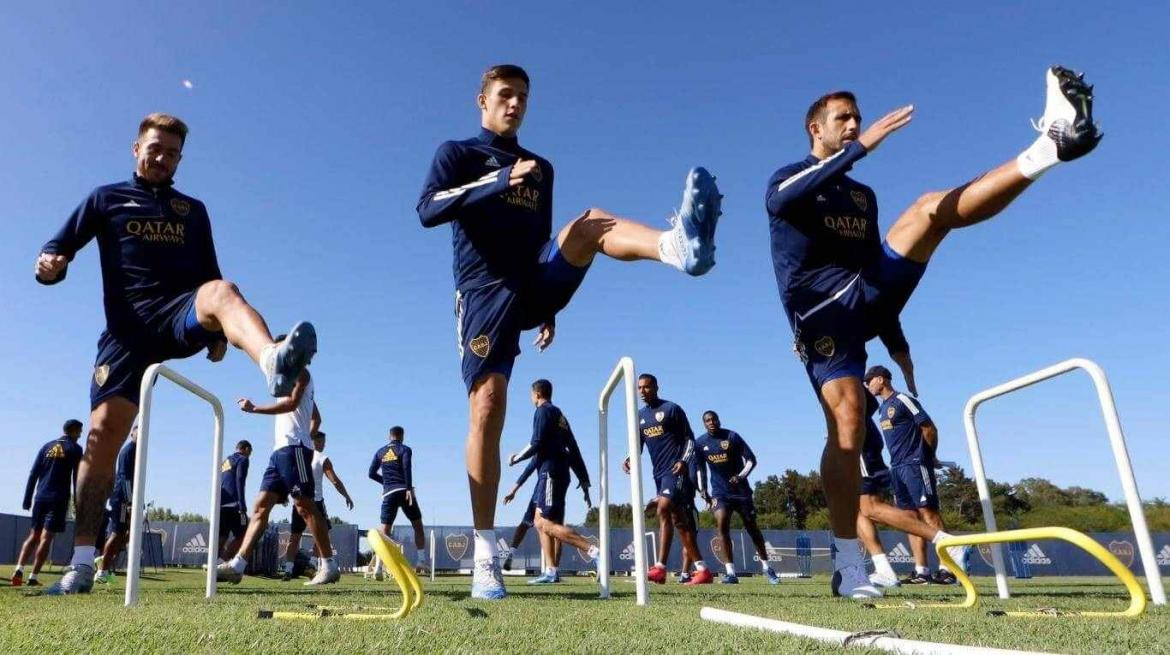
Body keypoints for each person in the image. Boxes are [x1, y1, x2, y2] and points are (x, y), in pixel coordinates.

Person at [764, 66, 1100, 598]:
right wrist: (861, 149)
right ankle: (850, 564)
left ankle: (1051, 147)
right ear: (816, 130)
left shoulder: (862, 198)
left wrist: (899, 347)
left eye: (858, 117)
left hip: (866, 298)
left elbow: (873, 265)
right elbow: (781, 202)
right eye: (842, 118)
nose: (854, 124)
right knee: (848, 426)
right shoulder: (789, 179)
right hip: (821, 316)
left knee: (927, 208)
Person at [417, 64, 722, 599]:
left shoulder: (541, 168)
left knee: (590, 222)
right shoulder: (458, 153)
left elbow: (543, 238)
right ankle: (486, 553)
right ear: (482, 101)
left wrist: (550, 301)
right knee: (487, 405)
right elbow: (427, 210)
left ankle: (677, 247)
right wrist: (494, 180)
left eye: (523, 98)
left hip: (534, 283)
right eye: (505, 96)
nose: (515, 105)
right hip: (484, 293)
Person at [36, 113, 318, 595]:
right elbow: (55, 254)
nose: (162, 158)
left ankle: (270, 358)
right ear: (136, 148)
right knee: (103, 436)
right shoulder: (105, 199)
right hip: (126, 334)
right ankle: (82, 562)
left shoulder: (194, 210)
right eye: (155, 149)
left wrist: (216, 335)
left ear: (180, 159)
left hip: (177, 316)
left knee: (224, 289)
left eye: (171, 153)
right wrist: (50, 267)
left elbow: (210, 275)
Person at [216, 351, 339, 586]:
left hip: (294, 450)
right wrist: (308, 432)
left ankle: (329, 565)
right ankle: (238, 565)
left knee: (304, 505)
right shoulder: (287, 379)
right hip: (278, 452)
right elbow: (316, 418)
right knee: (261, 506)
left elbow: (291, 404)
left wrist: (255, 409)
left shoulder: (302, 374)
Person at [866, 365, 961, 584]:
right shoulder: (881, 410)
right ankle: (922, 571)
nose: (867, 385)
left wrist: (928, 456)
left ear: (881, 380)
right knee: (909, 518)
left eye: (869, 380)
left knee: (928, 513)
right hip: (897, 468)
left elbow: (929, 428)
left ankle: (948, 568)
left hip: (915, 465)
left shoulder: (903, 400)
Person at [505, 379, 597, 584]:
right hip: (560, 473)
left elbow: (535, 443)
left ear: (536, 395)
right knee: (542, 523)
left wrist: (516, 458)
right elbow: (573, 448)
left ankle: (592, 550)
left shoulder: (543, 411)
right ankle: (551, 571)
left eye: (531, 395)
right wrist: (583, 479)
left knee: (544, 523)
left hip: (551, 473)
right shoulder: (559, 416)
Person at [622, 374, 710, 585]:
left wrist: (683, 460)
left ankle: (660, 567)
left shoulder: (671, 409)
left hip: (676, 470)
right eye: (640, 388)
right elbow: (638, 444)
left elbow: (690, 439)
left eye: (647, 387)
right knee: (679, 521)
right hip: (659, 474)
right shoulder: (640, 416)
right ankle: (702, 569)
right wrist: (629, 458)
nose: (643, 391)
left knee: (663, 507)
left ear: (656, 387)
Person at [694, 411, 780, 585]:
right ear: (704, 424)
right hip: (720, 493)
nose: (711, 422)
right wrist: (703, 490)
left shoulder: (732, 437)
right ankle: (731, 573)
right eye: (707, 420)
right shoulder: (700, 443)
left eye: (714, 419)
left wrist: (740, 477)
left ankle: (766, 567)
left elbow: (751, 460)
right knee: (722, 523)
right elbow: (699, 469)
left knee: (752, 527)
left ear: (719, 420)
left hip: (741, 492)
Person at [12, 420, 84, 587]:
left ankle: (19, 569)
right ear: (73, 431)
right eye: (79, 432)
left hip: (40, 497)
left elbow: (33, 473)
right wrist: (77, 502)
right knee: (46, 538)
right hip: (58, 499)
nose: (80, 435)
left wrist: (27, 498)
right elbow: (76, 477)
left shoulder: (46, 447)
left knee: (33, 535)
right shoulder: (75, 449)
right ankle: (33, 576)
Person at [281, 431, 354, 581]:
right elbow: (334, 480)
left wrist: (284, 494)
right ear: (316, 442)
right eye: (323, 442)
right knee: (323, 535)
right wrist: (346, 495)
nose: (324, 444)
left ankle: (288, 570)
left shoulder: (297, 456)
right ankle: (312, 565)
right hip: (315, 502)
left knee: (294, 537)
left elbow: (287, 476)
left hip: (299, 501)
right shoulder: (322, 458)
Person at [369, 426, 427, 574]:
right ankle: (421, 560)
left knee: (385, 531)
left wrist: (386, 483)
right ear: (402, 436)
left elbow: (371, 473)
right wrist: (408, 488)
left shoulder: (380, 452)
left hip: (389, 493)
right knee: (418, 526)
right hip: (404, 491)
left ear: (390, 436)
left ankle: (379, 567)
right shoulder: (405, 449)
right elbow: (407, 467)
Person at [95, 428, 138, 584]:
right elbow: (125, 478)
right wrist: (130, 501)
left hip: (128, 497)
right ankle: (101, 571)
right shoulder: (128, 451)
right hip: (121, 498)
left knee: (125, 533)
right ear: (132, 433)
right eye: (138, 431)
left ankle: (104, 560)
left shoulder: (137, 451)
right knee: (117, 532)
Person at [217, 440, 253, 561]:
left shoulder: (226, 461)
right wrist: (242, 505)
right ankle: (222, 561)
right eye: (250, 452)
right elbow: (240, 480)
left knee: (223, 534)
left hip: (221, 504)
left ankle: (213, 561)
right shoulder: (243, 459)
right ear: (246, 449)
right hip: (235, 505)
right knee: (245, 535)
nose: (250, 455)